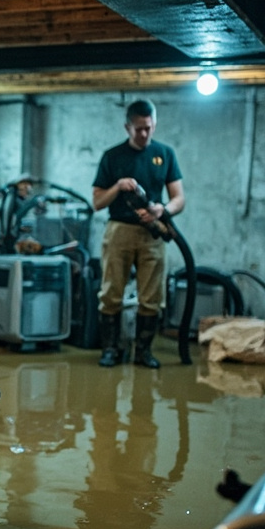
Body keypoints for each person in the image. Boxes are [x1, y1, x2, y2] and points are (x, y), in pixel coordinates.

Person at [91, 99, 185, 369]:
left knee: (152, 296)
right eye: (139, 129)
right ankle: (110, 349)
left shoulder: (164, 154)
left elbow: (179, 198)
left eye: (149, 128)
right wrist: (118, 186)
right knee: (111, 293)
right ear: (127, 127)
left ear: (154, 124)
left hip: (152, 233)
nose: (144, 134)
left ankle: (143, 351)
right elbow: (97, 202)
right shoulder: (112, 156)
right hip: (119, 230)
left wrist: (162, 209)